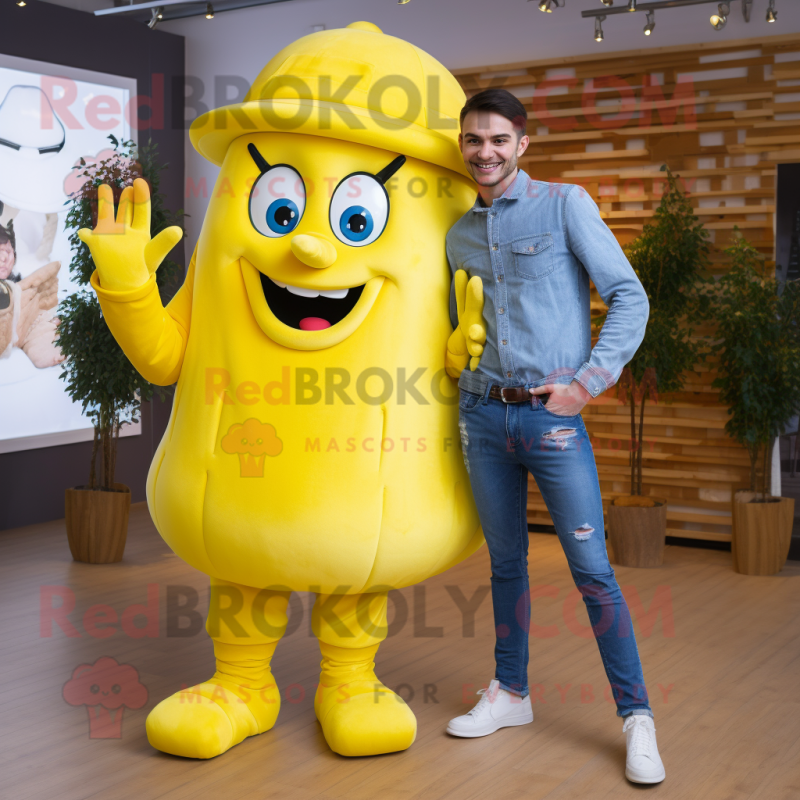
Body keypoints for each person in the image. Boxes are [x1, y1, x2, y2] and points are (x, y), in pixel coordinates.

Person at [443, 88, 665, 785]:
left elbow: (629, 294)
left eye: (499, 140)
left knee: (592, 574)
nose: (486, 152)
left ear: (522, 145)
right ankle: (511, 693)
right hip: (482, 415)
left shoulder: (564, 205)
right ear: (463, 145)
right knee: (505, 566)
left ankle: (637, 719)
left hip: (553, 418)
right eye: (474, 140)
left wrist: (587, 384)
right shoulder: (457, 234)